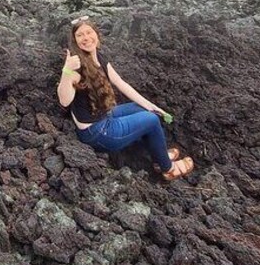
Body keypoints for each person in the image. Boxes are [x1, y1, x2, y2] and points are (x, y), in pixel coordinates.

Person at [56, 16, 194, 180]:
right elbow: (64, 100)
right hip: (97, 133)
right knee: (151, 120)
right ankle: (168, 168)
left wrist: (152, 106)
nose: (86, 38)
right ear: (74, 40)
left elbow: (121, 83)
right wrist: (66, 71)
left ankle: (159, 154)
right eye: (80, 35)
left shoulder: (98, 57)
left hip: (104, 116)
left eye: (89, 32)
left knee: (145, 110)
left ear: (97, 34)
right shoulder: (76, 67)